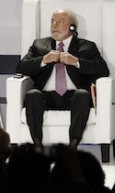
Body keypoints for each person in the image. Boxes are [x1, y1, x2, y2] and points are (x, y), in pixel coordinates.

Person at [16, 8, 109, 150]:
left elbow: (103, 70)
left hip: (74, 97)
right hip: (46, 97)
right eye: (52, 21)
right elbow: (21, 68)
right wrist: (43, 60)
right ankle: (37, 146)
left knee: (83, 94)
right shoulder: (39, 45)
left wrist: (77, 62)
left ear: (72, 27)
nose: (54, 25)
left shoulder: (87, 46)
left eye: (60, 21)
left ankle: (73, 145)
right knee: (32, 95)